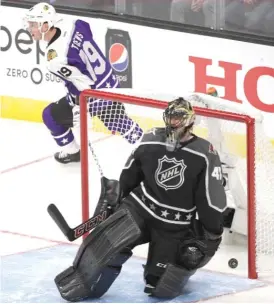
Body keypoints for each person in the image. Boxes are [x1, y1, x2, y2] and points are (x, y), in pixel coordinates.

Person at [53, 97, 227, 301]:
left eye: (179, 118)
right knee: (105, 251)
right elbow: (130, 175)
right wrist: (117, 199)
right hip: (139, 209)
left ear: (190, 120)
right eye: (172, 117)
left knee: (160, 287)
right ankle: (88, 278)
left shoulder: (204, 154)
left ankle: (164, 271)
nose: (174, 123)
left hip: (173, 224)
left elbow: (210, 199)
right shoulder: (152, 139)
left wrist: (211, 231)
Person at [23, 2, 143, 164]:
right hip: (109, 81)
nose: (29, 28)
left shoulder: (55, 59)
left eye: (33, 25)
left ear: (45, 26)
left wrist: (80, 108)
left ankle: (73, 152)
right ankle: (148, 148)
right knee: (119, 122)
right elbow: (87, 32)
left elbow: (83, 82)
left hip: (92, 95)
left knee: (49, 115)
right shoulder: (74, 24)